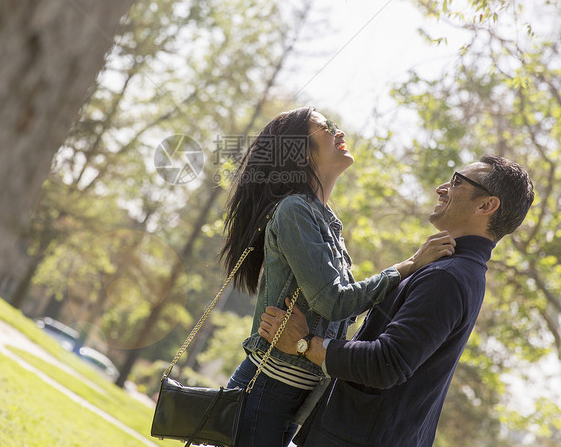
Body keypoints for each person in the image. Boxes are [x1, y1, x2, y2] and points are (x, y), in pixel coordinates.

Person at [259, 154, 535, 447]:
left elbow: (386, 363)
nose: (442, 188)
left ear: (486, 205)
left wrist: (303, 344)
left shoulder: (450, 277)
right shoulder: (456, 270)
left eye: (457, 182)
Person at [220, 106, 456, 447]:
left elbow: (342, 307)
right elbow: (334, 301)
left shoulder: (327, 220)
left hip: (293, 393)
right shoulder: (294, 211)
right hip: (267, 387)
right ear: (300, 150)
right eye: (325, 126)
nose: (338, 131)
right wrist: (409, 265)